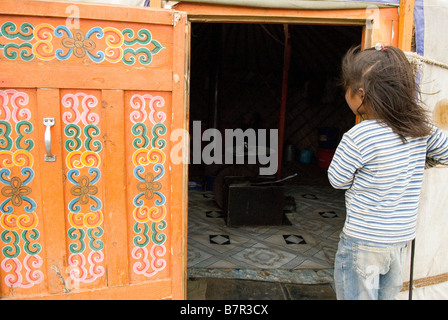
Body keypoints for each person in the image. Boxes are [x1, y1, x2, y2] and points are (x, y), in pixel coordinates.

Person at [328, 44, 448, 300]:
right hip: (398, 242)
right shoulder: (419, 130)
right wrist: (422, 161)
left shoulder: (359, 135)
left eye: (346, 89)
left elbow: (337, 180)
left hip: (362, 242)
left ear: (360, 93)